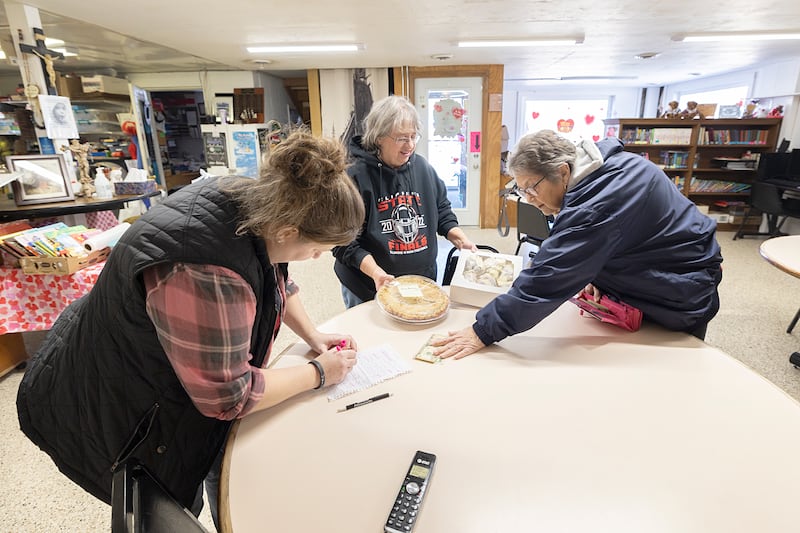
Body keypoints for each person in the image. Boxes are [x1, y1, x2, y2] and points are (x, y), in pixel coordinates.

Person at [16, 130, 365, 531]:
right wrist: (320, 373)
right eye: (316, 248)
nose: (317, 257)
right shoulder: (204, 272)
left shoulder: (257, 201)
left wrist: (313, 336)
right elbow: (227, 396)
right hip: (110, 396)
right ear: (288, 231)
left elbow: (276, 278)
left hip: (140, 363)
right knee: (161, 504)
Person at [435, 129, 723, 360]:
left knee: (672, 376)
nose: (528, 199)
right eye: (520, 190)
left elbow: (548, 277)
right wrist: (601, 272)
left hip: (679, 290)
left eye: (531, 188)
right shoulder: (602, 167)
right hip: (662, 276)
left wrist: (482, 331)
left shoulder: (596, 206)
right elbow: (625, 239)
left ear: (562, 172)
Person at [333, 95, 476, 308]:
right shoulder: (354, 176)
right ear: (378, 137)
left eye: (413, 136)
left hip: (420, 281)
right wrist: (376, 273)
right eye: (401, 138)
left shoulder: (423, 168)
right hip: (368, 284)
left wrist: (459, 237)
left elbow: (442, 211)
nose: (409, 145)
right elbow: (343, 242)